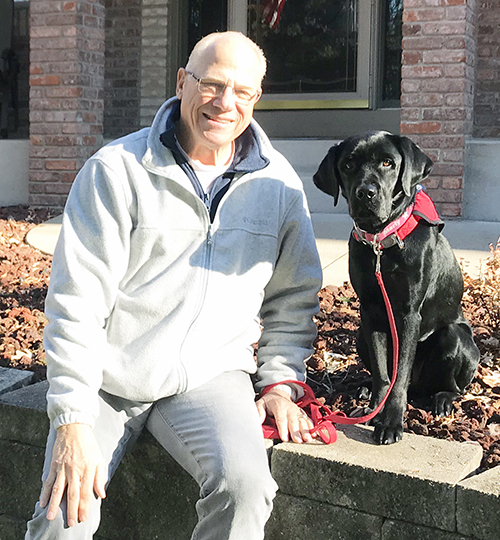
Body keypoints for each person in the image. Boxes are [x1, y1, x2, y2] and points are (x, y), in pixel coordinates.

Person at [26, 31, 322, 539]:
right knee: (64, 516)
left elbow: (294, 296)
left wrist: (278, 381)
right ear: (183, 81)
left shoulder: (279, 187)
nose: (225, 103)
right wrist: (72, 418)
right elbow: (75, 304)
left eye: (242, 91)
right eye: (212, 84)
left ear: (256, 99)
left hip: (211, 376)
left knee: (247, 488)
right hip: (109, 380)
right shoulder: (116, 171)